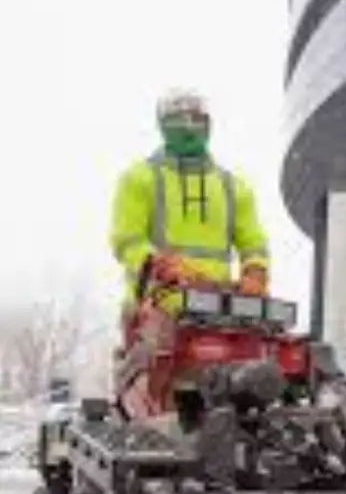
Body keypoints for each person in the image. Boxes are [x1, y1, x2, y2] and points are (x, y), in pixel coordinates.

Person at [110, 90, 270, 329]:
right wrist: (157, 265)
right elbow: (127, 241)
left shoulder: (234, 188)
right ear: (163, 126)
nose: (188, 127)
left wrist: (255, 271)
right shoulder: (139, 178)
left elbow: (253, 243)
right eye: (179, 120)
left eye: (196, 119)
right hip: (154, 307)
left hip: (219, 310)